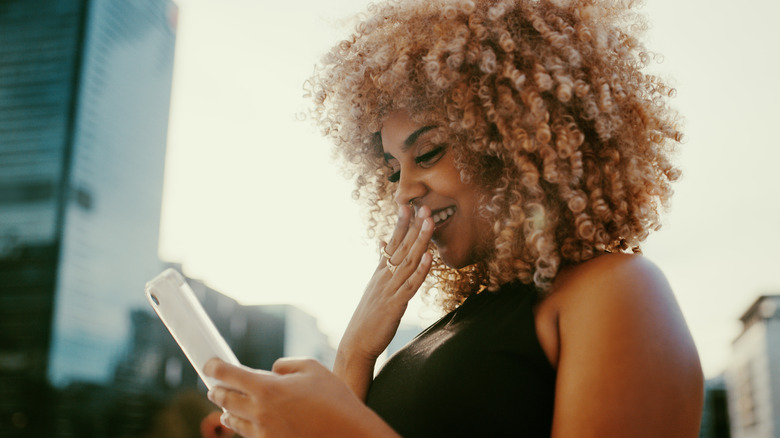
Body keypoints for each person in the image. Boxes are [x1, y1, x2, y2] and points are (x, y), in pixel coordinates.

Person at [203, 0, 704, 436]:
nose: (403, 193)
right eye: (391, 170)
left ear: (514, 140)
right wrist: (355, 354)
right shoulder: (453, 324)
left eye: (428, 153)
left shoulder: (618, 289)